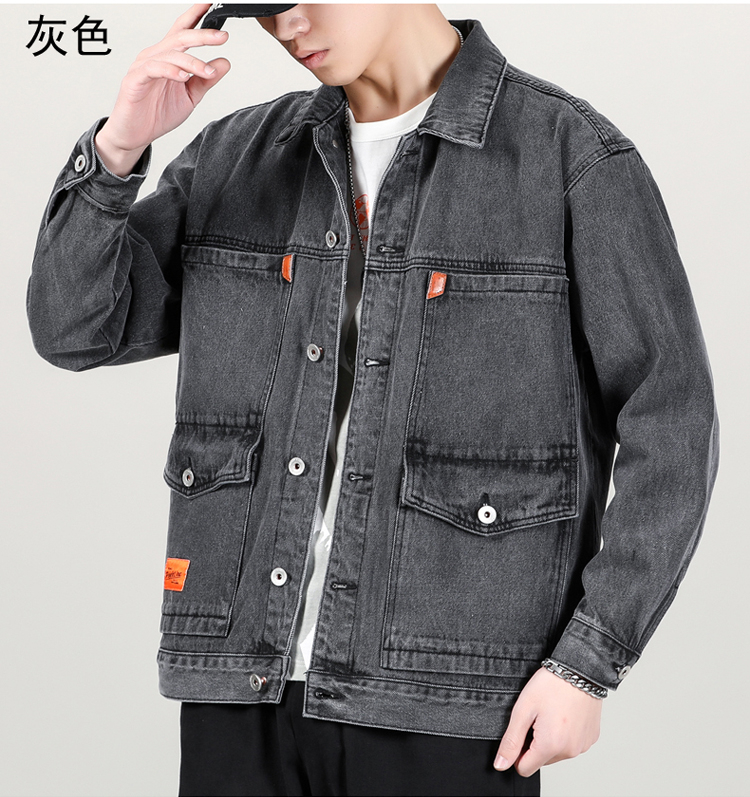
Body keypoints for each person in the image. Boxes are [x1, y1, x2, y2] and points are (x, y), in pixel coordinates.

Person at [26, 3, 719, 796]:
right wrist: (118, 150)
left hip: (447, 698)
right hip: (241, 688)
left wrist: (586, 663)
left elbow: (674, 419)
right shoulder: (237, 156)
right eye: (263, 9)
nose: (288, 27)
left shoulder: (570, 157)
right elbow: (75, 329)